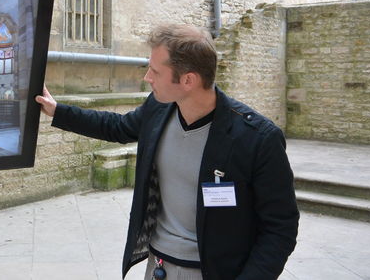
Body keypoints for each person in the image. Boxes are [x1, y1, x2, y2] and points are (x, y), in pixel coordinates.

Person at [35, 24, 299, 280]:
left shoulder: (257, 139)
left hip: (214, 271)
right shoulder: (159, 110)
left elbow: (280, 228)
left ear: (188, 80)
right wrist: (57, 110)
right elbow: (116, 127)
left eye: (154, 71)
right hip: (158, 266)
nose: (146, 77)